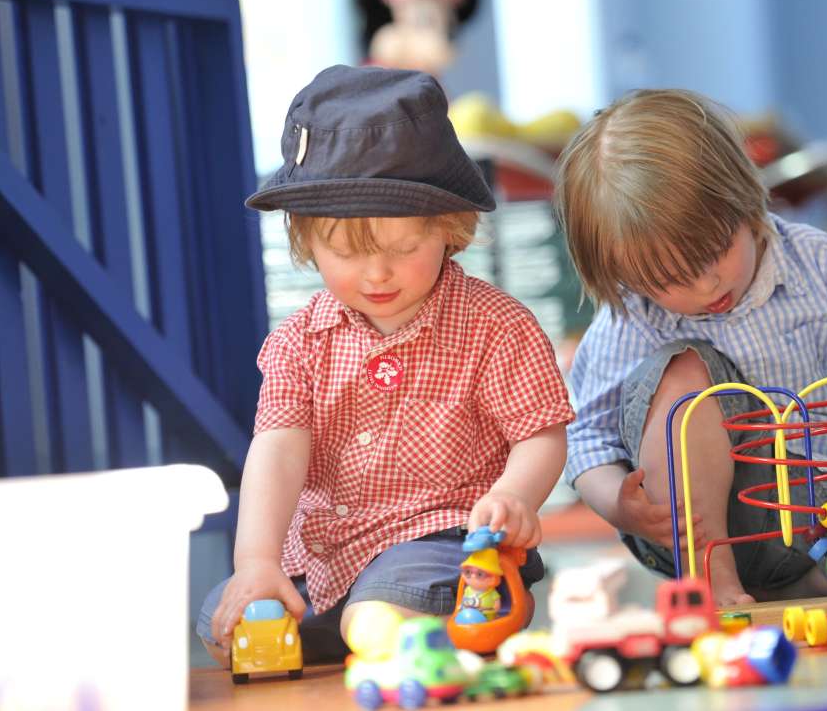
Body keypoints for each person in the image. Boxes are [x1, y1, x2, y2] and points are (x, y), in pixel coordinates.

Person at [196, 66, 574, 665]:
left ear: (447, 228)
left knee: (375, 616)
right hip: (324, 555)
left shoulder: (494, 325)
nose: (376, 275)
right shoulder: (300, 341)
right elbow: (277, 449)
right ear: (306, 241)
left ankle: (451, 626)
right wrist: (258, 564)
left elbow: (540, 431)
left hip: (441, 537)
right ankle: (366, 637)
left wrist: (514, 495)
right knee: (228, 623)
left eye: (403, 250)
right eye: (345, 253)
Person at [554, 89, 827, 607]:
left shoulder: (824, 266)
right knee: (683, 371)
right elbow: (586, 438)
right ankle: (714, 580)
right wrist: (617, 503)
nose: (705, 287)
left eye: (716, 252)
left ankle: (804, 581)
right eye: (670, 279)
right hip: (691, 522)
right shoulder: (634, 314)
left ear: (745, 200)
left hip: (822, 504)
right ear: (623, 277)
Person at [456, 549, 504, 622]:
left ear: (493, 579)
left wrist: (487, 609)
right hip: (466, 617)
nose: (472, 576)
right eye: (468, 572)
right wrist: (463, 606)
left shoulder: (492, 593)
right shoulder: (468, 590)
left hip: (486, 618)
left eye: (479, 574)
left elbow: (496, 607)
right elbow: (463, 600)